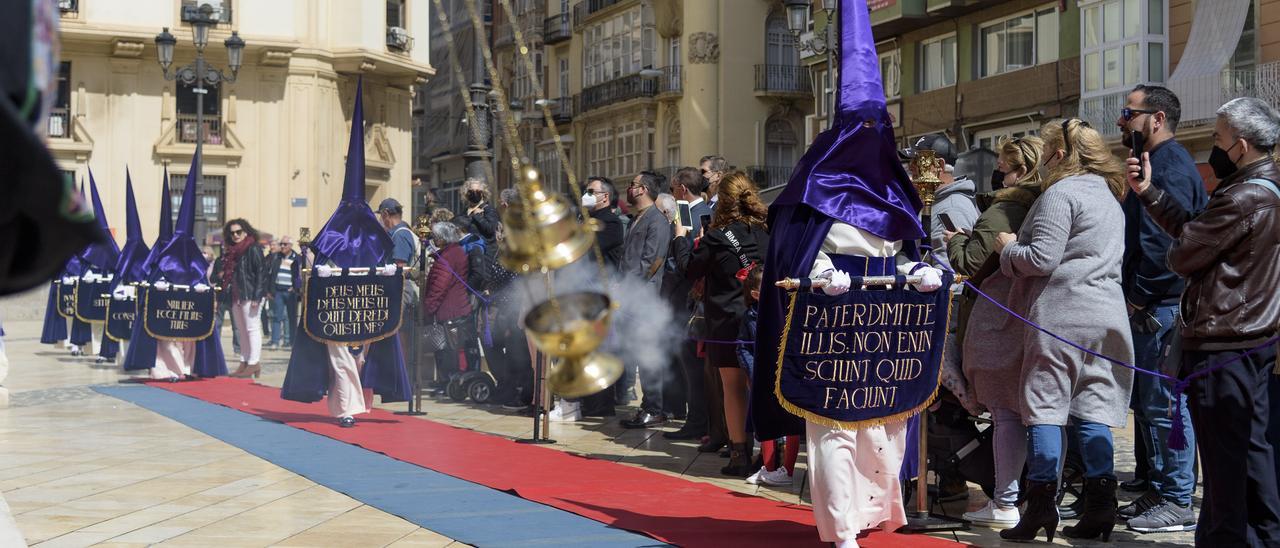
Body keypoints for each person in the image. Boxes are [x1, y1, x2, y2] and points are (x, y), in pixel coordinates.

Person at [1127, 96, 1280, 546]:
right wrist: (1149, 194)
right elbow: (1195, 228)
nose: (1213, 146)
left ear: (1242, 145)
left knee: (1229, 461)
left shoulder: (1248, 194)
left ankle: (1233, 538)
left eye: (1218, 138)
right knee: (1245, 453)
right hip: (1241, 338)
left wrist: (1183, 248)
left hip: (1227, 341)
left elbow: (1184, 251)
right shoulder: (1254, 187)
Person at [995, 119, 1134, 542]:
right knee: (1094, 410)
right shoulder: (1110, 197)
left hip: (1061, 314)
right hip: (1107, 315)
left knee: (1045, 408)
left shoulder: (1062, 193)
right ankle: (1100, 507)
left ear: (1059, 154)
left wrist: (1007, 249)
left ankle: (1039, 508)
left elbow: (1040, 258)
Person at [1113, 84, 1208, 533]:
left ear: (1156, 119)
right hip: (1153, 304)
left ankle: (1176, 498)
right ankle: (1157, 485)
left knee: (1168, 407)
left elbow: (1164, 244)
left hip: (1160, 307)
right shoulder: (1154, 163)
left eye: (1129, 114)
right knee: (1150, 407)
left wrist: (1137, 297)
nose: (1121, 122)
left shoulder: (1168, 165)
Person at [944, 136, 1045, 527]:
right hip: (1030, 316)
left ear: (1020, 171)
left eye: (1003, 166)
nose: (997, 173)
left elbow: (971, 263)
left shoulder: (1005, 210)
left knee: (1006, 414)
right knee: (1034, 414)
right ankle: (1028, 497)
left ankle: (1004, 501)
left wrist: (956, 243)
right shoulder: (1042, 204)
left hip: (1000, 318)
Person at [673, 171, 770, 476]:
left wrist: (680, 238)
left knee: (733, 388)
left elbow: (689, 269)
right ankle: (770, 455)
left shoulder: (716, 236)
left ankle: (739, 453)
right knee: (762, 387)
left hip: (728, 320)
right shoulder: (766, 231)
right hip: (763, 317)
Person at [663, 167, 716, 442]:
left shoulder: (687, 214)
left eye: (674, 189)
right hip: (694, 297)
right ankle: (702, 420)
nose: (673, 194)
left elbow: (678, 261)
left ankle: (697, 420)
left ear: (682, 189)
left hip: (687, 297)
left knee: (692, 363)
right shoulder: (706, 210)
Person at [617, 170, 672, 428]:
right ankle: (647, 405)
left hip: (645, 299)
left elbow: (653, 261)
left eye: (633, 185)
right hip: (631, 298)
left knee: (648, 354)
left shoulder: (657, 221)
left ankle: (655, 408)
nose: (629, 188)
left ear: (643, 190)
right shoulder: (636, 219)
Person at [737, 265, 800, 486]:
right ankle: (769, 467)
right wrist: (754, 370)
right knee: (764, 422)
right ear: (755, 294)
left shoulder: (789, 310)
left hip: (787, 378)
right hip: (762, 379)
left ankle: (787, 470)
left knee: (791, 423)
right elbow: (742, 347)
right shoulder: (750, 316)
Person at [911, 134, 978, 272]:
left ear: (939, 165)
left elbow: (950, 273)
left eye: (918, 161)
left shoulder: (952, 208)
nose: (911, 167)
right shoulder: (938, 201)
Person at [422, 221, 472, 392]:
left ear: (443, 238)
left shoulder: (448, 256)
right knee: (451, 348)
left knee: (447, 349)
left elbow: (439, 286)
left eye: (436, 236)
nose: (433, 239)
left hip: (450, 309)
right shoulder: (455, 252)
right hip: (456, 306)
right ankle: (448, 381)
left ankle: (449, 382)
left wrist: (428, 308)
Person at [377, 198, 422, 379]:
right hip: (400, 287)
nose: (381, 219)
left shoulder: (400, 234)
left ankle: (401, 376)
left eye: (381, 215)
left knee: (398, 332)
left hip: (402, 288)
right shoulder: (398, 232)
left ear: (386, 214)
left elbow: (400, 267)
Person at [220, 218, 269, 379]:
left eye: (238, 232)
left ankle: (254, 362)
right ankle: (245, 361)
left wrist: (257, 295)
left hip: (250, 294)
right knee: (241, 330)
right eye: (232, 233)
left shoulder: (252, 248)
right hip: (237, 294)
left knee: (252, 328)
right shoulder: (231, 251)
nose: (235, 235)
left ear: (246, 231)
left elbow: (262, 272)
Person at [265, 238, 300, 350]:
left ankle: (291, 342)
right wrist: (270, 290)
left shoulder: (297, 258)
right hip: (278, 291)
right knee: (276, 317)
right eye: (281, 244)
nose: (283, 246)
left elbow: (299, 276)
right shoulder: (277, 257)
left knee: (291, 318)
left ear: (290, 245)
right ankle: (275, 341)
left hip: (290, 292)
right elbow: (270, 275)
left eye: (285, 244)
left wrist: (295, 288)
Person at [583, 176, 624, 269]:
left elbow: (587, 249)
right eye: (585, 192)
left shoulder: (612, 222)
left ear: (605, 196)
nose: (585, 196)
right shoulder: (586, 218)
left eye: (590, 192)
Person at [455, 178, 499, 256]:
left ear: (483, 193)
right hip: (467, 252)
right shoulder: (464, 211)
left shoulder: (488, 209)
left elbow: (490, 229)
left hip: (485, 254)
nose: (474, 193)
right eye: (471, 191)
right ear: (466, 193)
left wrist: (477, 216)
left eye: (478, 191)